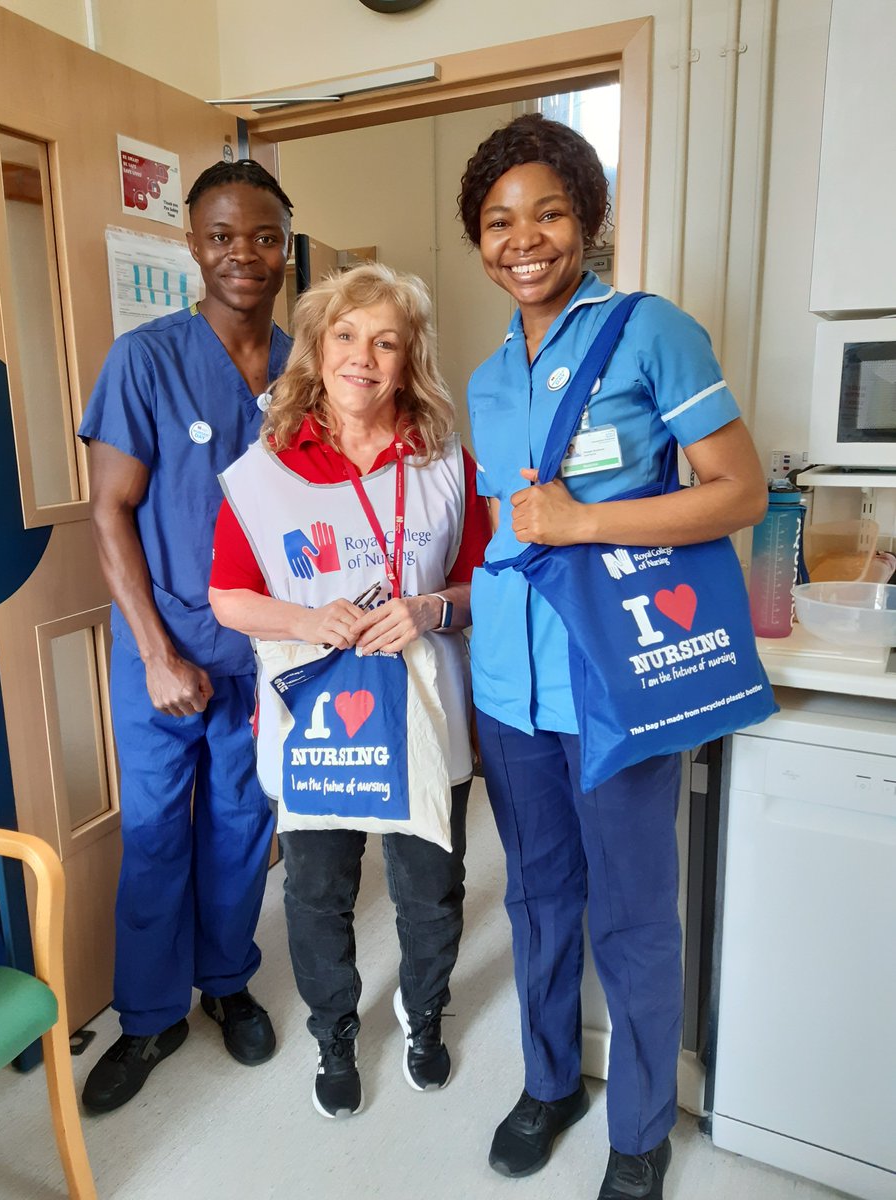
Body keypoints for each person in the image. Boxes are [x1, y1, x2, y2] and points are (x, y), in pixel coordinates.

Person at [458, 113, 767, 1199]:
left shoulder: (650, 332)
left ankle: (639, 1127)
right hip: (508, 684)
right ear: (480, 242)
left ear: (587, 218)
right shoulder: (487, 378)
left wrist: (583, 523)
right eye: (498, 221)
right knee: (539, 898)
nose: (524, 237)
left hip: (619, 676)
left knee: (635, 912)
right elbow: (503, 528)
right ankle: (551, 1081)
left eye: (547, 211)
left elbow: (741, 491)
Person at [208, 261, 491, 1119]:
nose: (363, 357)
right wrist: (305, 621)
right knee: (316, 890)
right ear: (316, 348)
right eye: (345, 335)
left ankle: (424, 1011)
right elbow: (228, 596)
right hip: (317, 716)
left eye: (386, 342)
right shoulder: (263, 473)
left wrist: (432, 605)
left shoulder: (446, 465)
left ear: (408, 361)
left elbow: (486, 585)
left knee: (431, 886)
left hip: (424, 713)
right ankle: (334, 1028)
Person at [78, 159, 295, 1113]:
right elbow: (108, 511)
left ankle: (227, 982)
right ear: (192, 247)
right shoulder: (146, 358)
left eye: (262, 236)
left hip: (265, 647)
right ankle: (148, 1016)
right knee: (159, 831)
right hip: (163, 643)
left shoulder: (308, 370)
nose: (242, 254)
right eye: (221, 236)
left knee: (245, 827)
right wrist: (160, 653)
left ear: (285, 246)